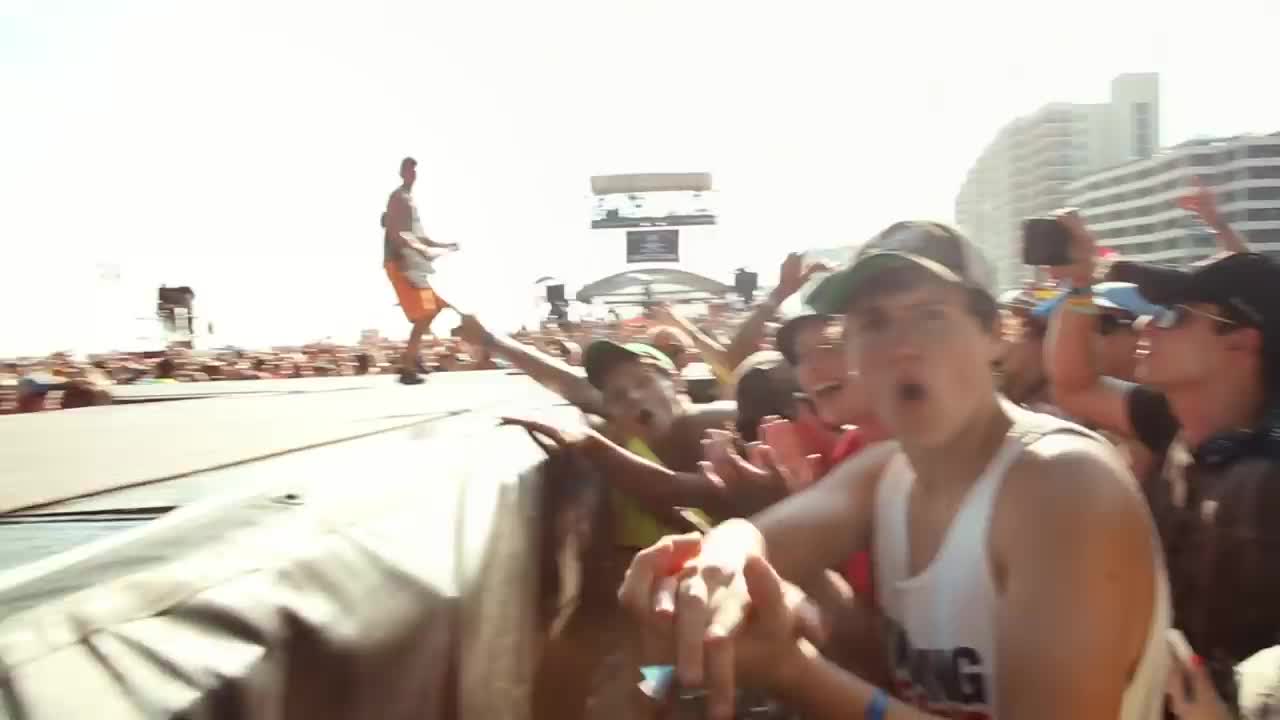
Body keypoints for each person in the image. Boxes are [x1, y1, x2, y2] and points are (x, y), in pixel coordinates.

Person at [620, 221, 1170, 719]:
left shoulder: (1061, 487)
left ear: (993, 335)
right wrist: (721, 556)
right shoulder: (888, 471)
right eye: (873, 322)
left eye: (930, 316)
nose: (902, 346)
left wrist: (796, 672)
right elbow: (765, 538)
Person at [1045, 212, 1280, 709]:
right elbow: (1074, 383)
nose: (1148, 322)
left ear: (1241, 343)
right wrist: (1082, 288)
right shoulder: (1169, 420)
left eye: (1176, 314)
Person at [382, 156, 459, 385]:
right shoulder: (398, 198)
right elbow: (398, 233)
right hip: (401, 262)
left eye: (414, 170)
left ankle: (413, 358)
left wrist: (444, 246)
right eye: (407, 170)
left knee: (435, 307)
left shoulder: (410, 200)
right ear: (401, 173)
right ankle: (407, 368)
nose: (411, 174)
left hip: (414, 262)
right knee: (425, 313)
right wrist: (409, 258)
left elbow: (420, 235)